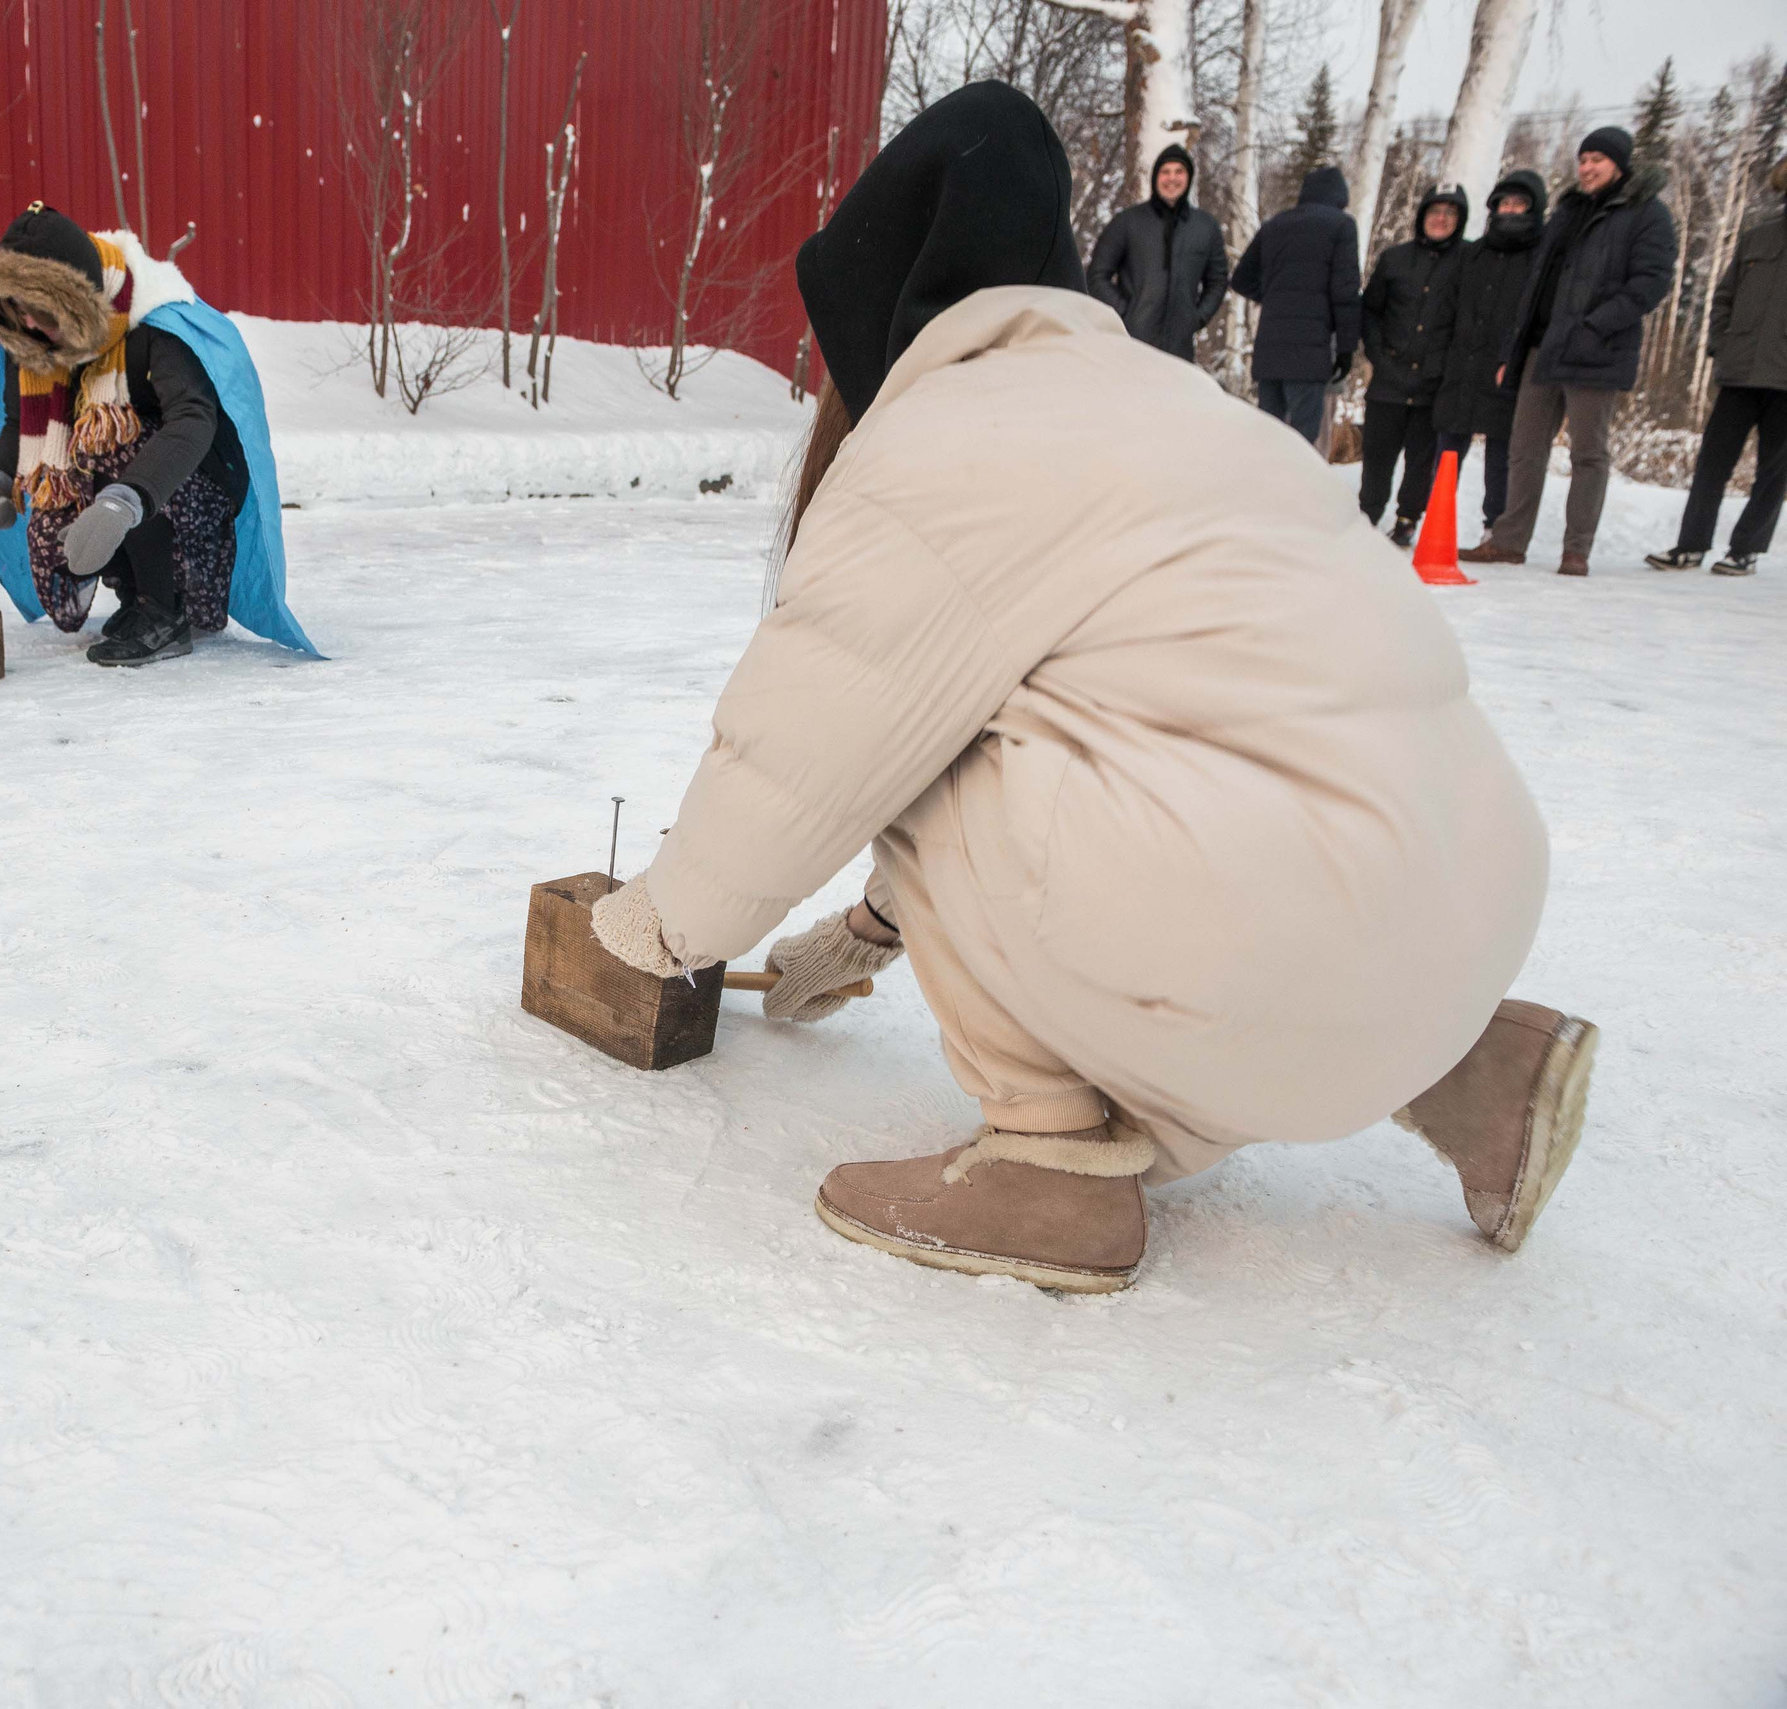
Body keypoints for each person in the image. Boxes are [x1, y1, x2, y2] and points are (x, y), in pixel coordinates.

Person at [586, 84, 1594, 1295]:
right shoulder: (1167, 400)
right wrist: (864, 931)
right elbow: (1174, 725)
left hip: (1279, 937)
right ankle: (1477, 1065)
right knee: (1119, 762)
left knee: (918, 732)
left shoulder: (942, 441)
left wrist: (659, 925)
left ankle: (1049, 1164)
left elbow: (809, 757)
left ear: (876, 307)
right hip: (1466, 913)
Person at [0, 203, 316, 666]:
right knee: (57, 501)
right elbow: (19, 426)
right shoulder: (32, 338)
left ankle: (165, 611)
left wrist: (123, 501)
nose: (26, 325)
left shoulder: (151, 321)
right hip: (129, 490)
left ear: (77, 300)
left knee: (104, 443)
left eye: (40, 311)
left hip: (191, 491)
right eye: (15, 310)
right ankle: (137, 598)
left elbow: (193, 420)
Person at [1463, 126, 1676, 576]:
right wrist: (1513, 351)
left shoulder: (1647, 214)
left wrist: (1595, 326)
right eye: (1582, 159)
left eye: (1596, 159)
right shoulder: (1567, 212)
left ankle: (1575, 550)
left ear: (1620, 164)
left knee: (1588, 454)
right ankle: (1507, 542)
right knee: (1524, 449)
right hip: (1544, 347)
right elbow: (1535, 286)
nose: (1586, 167)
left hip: (1598, 349)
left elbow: (1651, 283)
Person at [1646, 157, 1787, 578]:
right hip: (1739, 372)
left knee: (1772, 471)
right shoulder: (1757, 238)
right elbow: (1723, 297)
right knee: (1712, 462)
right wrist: (1721, 346)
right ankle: (1690, 546)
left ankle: (1746, 550)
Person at [1435, 170, 1549, 547]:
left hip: (1508, 367)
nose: (1510, 210)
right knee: (1449, 447)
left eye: (1520, 204)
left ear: (1534, 210)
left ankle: (1494, 527)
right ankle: (1437, 520)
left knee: (1501, 451)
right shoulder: (1473, 253)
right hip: (1462, 364)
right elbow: (1448, 307)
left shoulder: (1540, 257)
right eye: (1504, 203)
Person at [1358, 183, 1469, 545]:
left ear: (1460, 220)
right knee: (1378, 455)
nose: (1441, 219)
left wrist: (1449, 367)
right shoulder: (1395, 258)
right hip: (1389, 377)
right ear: (1422, 216)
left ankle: (1407, 519)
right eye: (1434, 211)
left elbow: (1471, 322)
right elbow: (1370, 312)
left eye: (1450, 213)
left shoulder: (1469, 261)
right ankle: (1368, 514)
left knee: (1422, 460)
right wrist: (1378, 356)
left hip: (1435, 383)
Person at [1230, 165, 1363, 447]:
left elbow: (1241, 279)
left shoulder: (1275, 224)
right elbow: (1346, 292)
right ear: (1340, 199)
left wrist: (1276, 297)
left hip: (1270, 351)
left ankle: (1263, 490)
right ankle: (1296, 492)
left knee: (1269, 436)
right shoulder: (1342, 225)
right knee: (1303, 443)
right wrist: (1346, 348)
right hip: (1310, 354)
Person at [1085, 142, 1229, 364]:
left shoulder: (1205, 227)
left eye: (1179, 172)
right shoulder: (1128, 222)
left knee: (1176, 400)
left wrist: (1196, 317)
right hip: (1132, 346)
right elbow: (1097, 275)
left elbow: (1218, 280)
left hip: (1180, 351)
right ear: (1155, 177)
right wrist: (1126, 313)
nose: (1172, 178)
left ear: (1189, 177)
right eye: (1165, 172)